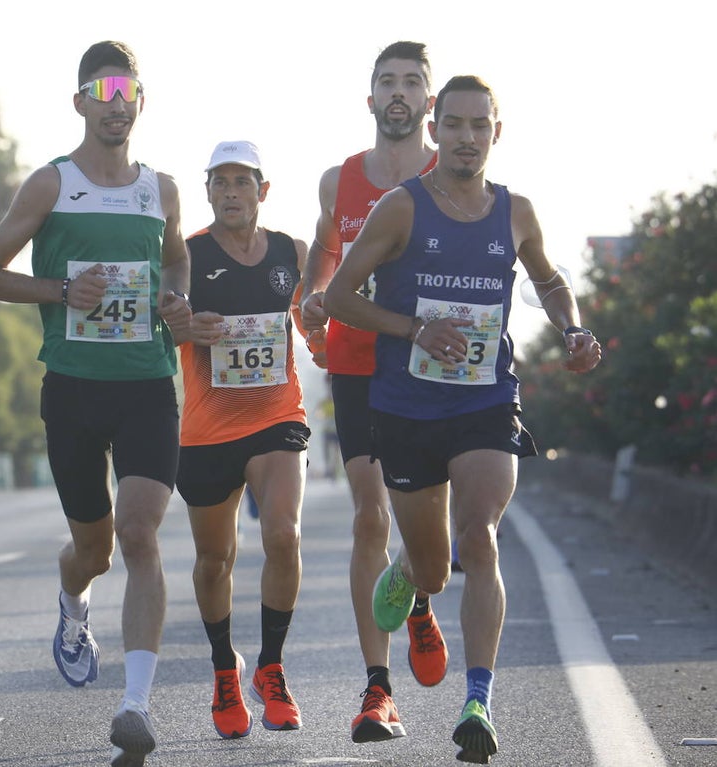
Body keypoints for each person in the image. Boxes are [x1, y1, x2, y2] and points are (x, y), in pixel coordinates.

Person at [323, 75, 602, 764]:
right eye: (455, 124)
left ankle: (477, 699)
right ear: (435, 129)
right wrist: (414, 327)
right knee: (434, 569)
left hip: (484, 401)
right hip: (406, 407)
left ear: (496, 133)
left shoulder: (516, 211)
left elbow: (550, 280)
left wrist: (572, 329)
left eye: (481, 125)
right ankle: (409, 574)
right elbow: (338, 297)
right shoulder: (401, 208)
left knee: (478, 537)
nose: (468, 137)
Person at [0, 40, 190, 767]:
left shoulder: (161, 188)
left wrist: (176, 298)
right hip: (71, 387)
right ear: (81, 102)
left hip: (148, 385)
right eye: (103, 89)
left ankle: (135, 702)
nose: (115, 101)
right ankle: (73, 607)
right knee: (93, 549)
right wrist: (63, 290)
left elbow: (179, 258)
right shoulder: (49, 184)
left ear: (140, 101)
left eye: (127, 89)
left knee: (138, 533)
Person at [297, 40, 449, 744]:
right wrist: (312, 297)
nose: (398, 91)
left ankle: (415, 590)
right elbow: (326, 249)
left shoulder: (451, 174)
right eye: (386, 80)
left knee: (431, 534)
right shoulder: (340, 180)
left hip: (433, 368)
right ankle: (377, 689)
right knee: (369, 515)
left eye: (411, 82)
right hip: (358, 362)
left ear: (429, 102)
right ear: (370, 100)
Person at [176, 141, 310, 740]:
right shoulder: (186, 254)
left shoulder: (291, 253)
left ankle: (272, 667)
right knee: (215, 559)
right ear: (207, 191)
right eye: (220, 182)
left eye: (242, 181)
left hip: (277, 414)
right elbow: (160, 318)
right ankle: (224, 668)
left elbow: (314, 317)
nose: (232, 192)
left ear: (263, 190)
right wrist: (181, 324)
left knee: (282, 533)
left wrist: (328, 335)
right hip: (206, 429)